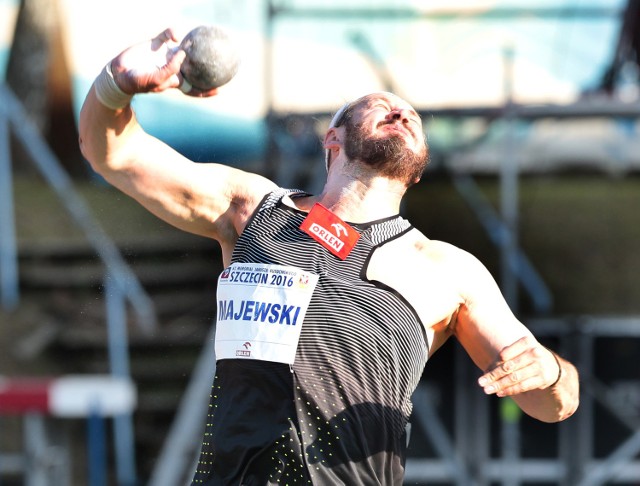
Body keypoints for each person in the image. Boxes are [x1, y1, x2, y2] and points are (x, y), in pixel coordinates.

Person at [79, 28, 580, 485]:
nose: (402, 113)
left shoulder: (447, 271)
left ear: (419, 169)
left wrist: (553, 374)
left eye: (413, 118)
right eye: (381, 105)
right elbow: (115, 155)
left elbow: (555, 404)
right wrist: (115, 85)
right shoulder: (252, 209)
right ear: (333, 139)